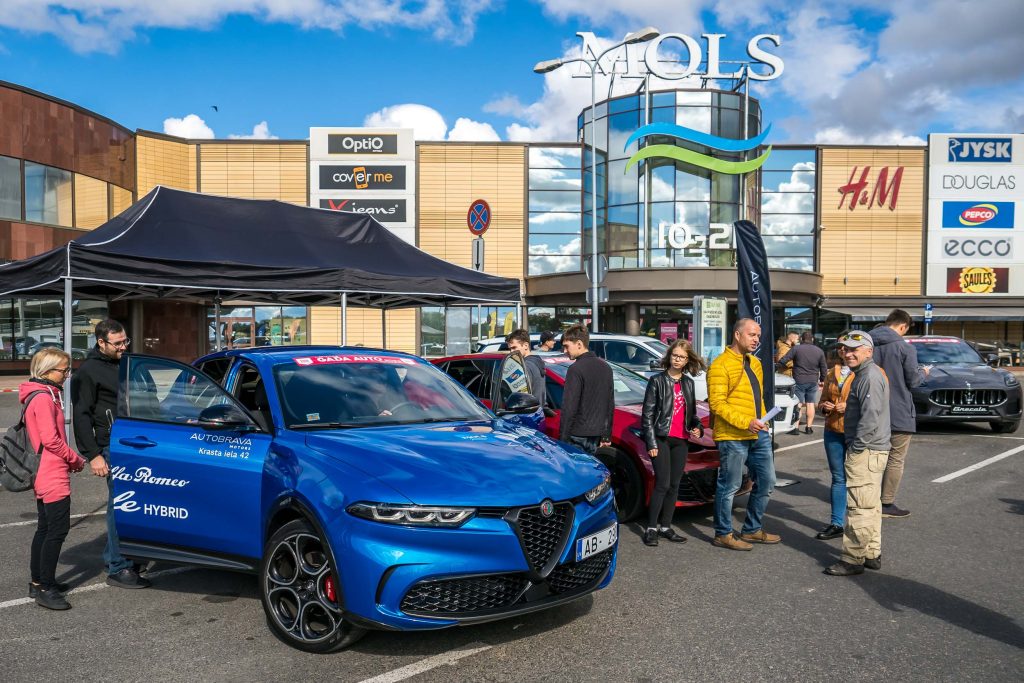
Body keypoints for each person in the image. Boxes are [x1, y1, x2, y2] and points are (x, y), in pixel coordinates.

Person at [72, 319, 151, 589]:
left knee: (141, 503)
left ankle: (136, 553)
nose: (123, 347)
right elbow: (81, 415)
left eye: (125, 341)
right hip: (114, 446)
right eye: (117, 343)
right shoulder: (88, 371)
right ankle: (118, 565)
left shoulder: (130, 363)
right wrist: (92, 454)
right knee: (121, 504)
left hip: (144, 443)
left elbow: (151, 399)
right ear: (101, 342)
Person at [706, 318, 780, 551]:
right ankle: (723, 533)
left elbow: (756, 398)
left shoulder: (755, 363)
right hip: (732, 436)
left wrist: (764, 419)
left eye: (758, 335)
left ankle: (751, 529)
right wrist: (746, 422)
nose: (757, 339)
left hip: (758, 433)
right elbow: (717, 404)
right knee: (729, 486)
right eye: (752, 335)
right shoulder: (720, 365)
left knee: (767, 481)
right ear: (737, 335)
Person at [24, 348, 86, 610]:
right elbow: (51, 440)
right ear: (47, 370)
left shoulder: (41, 394)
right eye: (63, 370)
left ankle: (38, 581)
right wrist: (75, 458)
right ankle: (46, 587)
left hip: (45, 470)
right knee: (57, 530)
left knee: (45, 527)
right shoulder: (43, 398)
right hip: (51, 472)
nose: (66, 375)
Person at [825, 331, 891, 576]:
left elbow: (870, 418)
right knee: (870, 505)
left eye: (854, 349)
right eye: (845, 349)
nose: (848, 353)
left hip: (867, 450)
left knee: (859, 508)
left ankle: (852, 559)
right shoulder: (865, 374)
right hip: (873, 449)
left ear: (868, 351)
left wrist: (856, 447)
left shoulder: (869, 376)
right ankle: (871, 553)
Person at [640, 339, 705, 547]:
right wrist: (651, 443)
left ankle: (666, 527)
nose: (678, 360)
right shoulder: (657, 381)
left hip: (681, 440)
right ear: (670, 356)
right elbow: (647, 416)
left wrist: (698, 427)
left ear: (687, 361)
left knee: (675, 485)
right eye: (675, 355)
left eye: (682, 357)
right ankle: (651, 528)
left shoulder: (688, 383)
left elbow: (692, 415)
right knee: (662, 484)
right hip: (661, 439)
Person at [869, 309, 927, 519]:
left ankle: (868, 498)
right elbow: (913, 381)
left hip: (870, 410)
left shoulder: (867, 343)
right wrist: (924, 373)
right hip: (898, 410)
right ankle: (886, 503)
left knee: (872, 455)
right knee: (895, 459)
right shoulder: (904, 348)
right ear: (903, 326)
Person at [814, 346, 855, 540]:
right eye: (841, 347)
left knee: (858, 478)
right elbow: (821, 401)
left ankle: (858, 524)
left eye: (848, 348)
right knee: (838, 478)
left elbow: (874, 402)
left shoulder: (867, 372)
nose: (844, 351)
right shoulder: (833, 372)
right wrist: (825, 407)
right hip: (832, 430)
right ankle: (837, 523)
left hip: (856, 432)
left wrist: (848, 405)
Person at [559, 325, 614, 455]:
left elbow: (569, 407)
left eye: (566, 346)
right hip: (596, 434)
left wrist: (562, 439)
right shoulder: (606, 367)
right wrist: (606, 434)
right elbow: (610, 403)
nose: (564, 350)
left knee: (576, 473)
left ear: (579, 344)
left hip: (577, 435)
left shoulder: (575, 369)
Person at [777, 331, 828, 434]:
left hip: (799, 380)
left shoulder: (796, 348)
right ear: (812, 339)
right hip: (813, 380)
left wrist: (778, 367)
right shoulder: (819, 351)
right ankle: (809, 428)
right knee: (810, 404)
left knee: (799, 404)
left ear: (801, 339)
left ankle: (795, 428)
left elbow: (783, 360)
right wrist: (822, 380)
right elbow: (824, 368)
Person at [506, 329, 547, 420]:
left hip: (526, 417)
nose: (511, 352)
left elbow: (520, 399)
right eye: (510, 349)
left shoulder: (525, 367)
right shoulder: (537, 362)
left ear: (526, 346)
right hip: (538, 415)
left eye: (514, 348)